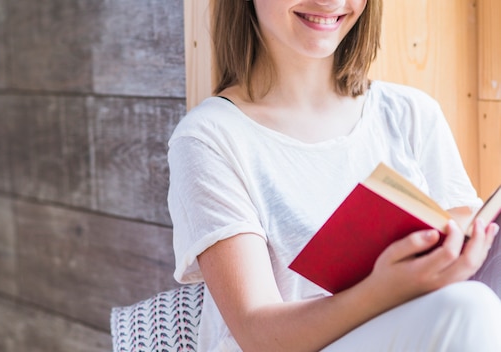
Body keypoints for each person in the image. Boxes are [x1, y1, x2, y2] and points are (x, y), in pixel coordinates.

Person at [167, 0, 501, 351]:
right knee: (469, 309)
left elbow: (466, 245)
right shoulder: (210, 138)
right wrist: (380, 290)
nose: (329, 2)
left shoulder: (412, 114)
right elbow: (256, 333)